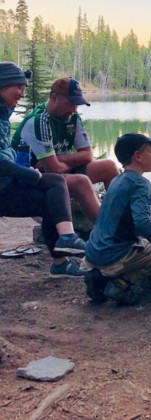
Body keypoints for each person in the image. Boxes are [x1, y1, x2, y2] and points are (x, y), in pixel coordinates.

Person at [0, 61, 88, 277]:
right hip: (3, 189)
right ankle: (67, 243)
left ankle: (63, 255)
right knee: (54, 183)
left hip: (5, 186)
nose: (21, 93)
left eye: (24, 88)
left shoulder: (3, 116)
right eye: (18, 87)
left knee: (54, 191)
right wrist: (29, 174)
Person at [83, 133, 151, 305]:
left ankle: (99, 277)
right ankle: (121, 282)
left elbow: (126, 221)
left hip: (93, 253)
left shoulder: (117, 180)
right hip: (113, 256)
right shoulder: (141, 184)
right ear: (138, 156)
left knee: (150, 242)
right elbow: (141, 222)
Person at [12, 77, 119, 222]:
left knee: (109, 167)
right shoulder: (39, 120)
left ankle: (122, 220)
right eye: (71, 103)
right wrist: (63, 162)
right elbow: (54, 169)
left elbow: (88, 156)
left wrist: (60, 159)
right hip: (29, 180)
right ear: (54, 98)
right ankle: (108, 234)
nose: (74, 109)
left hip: (56, 172)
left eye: (77, 104)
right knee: (81, 182)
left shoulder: (72, 118)